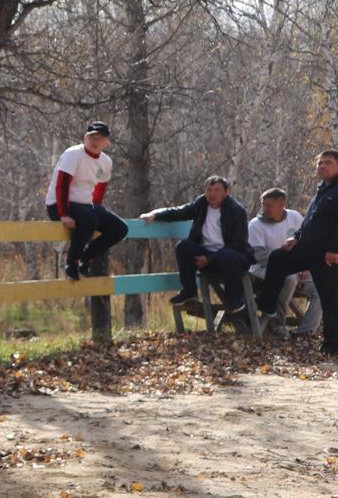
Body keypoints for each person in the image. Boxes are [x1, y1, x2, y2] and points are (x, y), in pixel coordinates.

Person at [254, 149, 338, 355]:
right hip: (307, 248)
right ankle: (268, 303)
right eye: (320, 163)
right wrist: (297, 237)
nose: (322, 166)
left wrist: (334, 250)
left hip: (326, 254)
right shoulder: (322, 190)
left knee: (329, 299)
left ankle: (332, 345)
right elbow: (310, 220)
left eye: (328, 162)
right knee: (278, 258)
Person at [144, 176, 253, 318]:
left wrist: (209, 258)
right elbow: (180, 211)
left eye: (217, 190)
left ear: (227, 192)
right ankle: (189, 293)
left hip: (232, 259)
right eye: (209, 190)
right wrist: (155, 214)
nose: (212, 194)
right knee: (183, 246)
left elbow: (237, 244)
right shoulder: (201, 204)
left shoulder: (236, 210)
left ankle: (235, 300)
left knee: (228, 255)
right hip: (205, 257)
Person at [45, 122, 127, 279]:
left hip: (85, 206)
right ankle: (72, 262)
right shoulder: (74, 154)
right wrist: (63, 214)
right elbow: (62, 184)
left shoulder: (106, 162)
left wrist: (97, 209)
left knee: (120, 228)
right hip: (59, 204)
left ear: (107, 142)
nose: (95, 141)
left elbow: (99, 189)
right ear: (85, 138)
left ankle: (86, 257)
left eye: (100, 138)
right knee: (90, 220)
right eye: (92, 137)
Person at [249, 187, 322, 339]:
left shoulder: (295, 217)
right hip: (262, 270)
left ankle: (306, 332)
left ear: (282, 203)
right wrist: (290, 266)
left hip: (295, 268)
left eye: (269, 205)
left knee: (321, 286)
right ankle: (278, 325)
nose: (265, 209)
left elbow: (305, 244)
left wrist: (304, 267)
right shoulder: (255, 225)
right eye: (264, 205)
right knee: (289, 278)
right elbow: (259, 256)